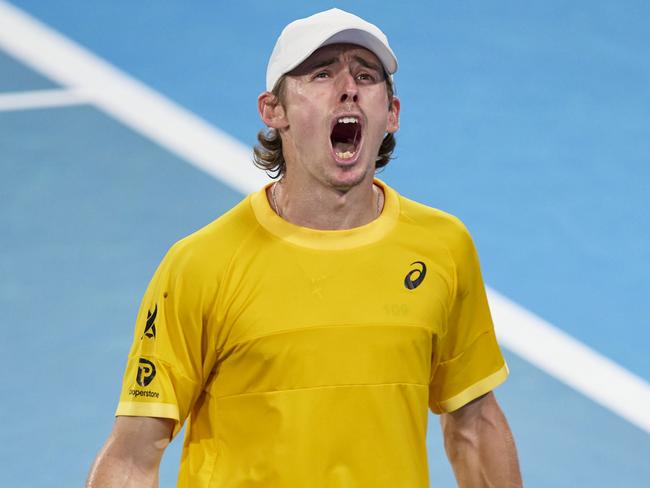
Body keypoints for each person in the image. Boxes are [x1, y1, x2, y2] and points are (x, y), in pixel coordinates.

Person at [86, 8, 522, 488]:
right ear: (274, 111)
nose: (348, 87)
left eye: (365, 75)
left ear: (391, 114)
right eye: (321, 74)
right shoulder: (200, 266)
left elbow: (474, 426)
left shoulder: (443, 248)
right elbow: (132, 457)